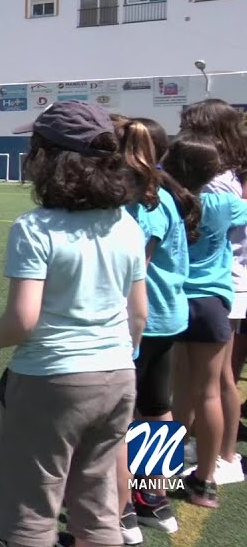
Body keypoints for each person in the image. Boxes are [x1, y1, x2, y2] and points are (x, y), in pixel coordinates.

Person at [0, 100, 146, 547]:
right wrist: (116, 356)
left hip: (52, 379)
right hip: (118, 377)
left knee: (31, 509)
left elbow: (23, 317)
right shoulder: (125, 224)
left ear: (48, 158)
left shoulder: (35, 228)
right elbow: (140, 314)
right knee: (98, 506)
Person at [115, 117, 191, 537]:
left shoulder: (143, 203)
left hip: (142, 322)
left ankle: (127, 507)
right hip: (167, 315)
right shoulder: (160, 194)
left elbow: (133, 276)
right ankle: (154, 501)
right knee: (157, 407)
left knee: (125, 415)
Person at [162, 133, 245, 508]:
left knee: (165, 393)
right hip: (213, 306)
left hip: (172, 303)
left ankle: (154, 484)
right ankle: (205, 481)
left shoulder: (164, 201)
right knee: (209, 391)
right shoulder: (227, 204)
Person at [179, 98, 247, 487]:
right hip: (219, 290)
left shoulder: (213, 186)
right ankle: (210, 460)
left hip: (216, 288)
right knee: (202, 382)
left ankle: (221, 457)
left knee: (212, 381)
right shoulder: (226, 188)